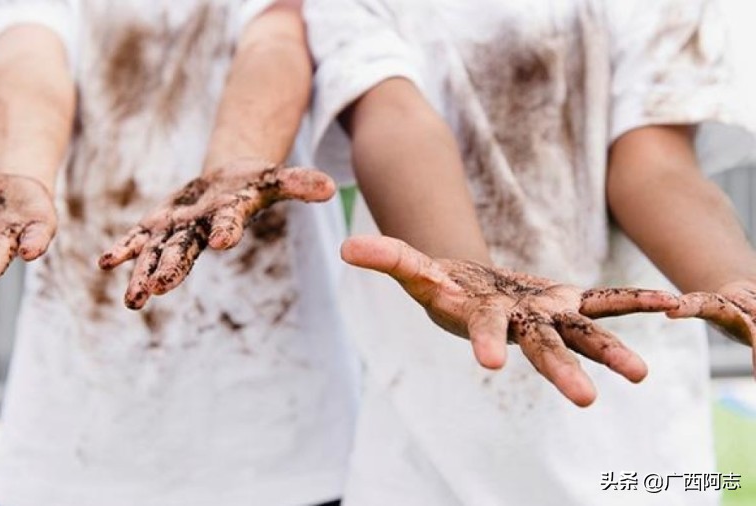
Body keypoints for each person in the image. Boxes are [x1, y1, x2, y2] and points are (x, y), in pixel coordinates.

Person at [304, 0, 756, 504]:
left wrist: (733, 281)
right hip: (428, 448)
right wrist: (465, 277)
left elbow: (655, 161)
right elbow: (393, 117)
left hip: (639, 453)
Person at [0, 1, 356, 505]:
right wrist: (19, 172)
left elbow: (277, 38)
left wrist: (237, 163)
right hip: (71, 432)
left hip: (278, 431)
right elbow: (26, 48)